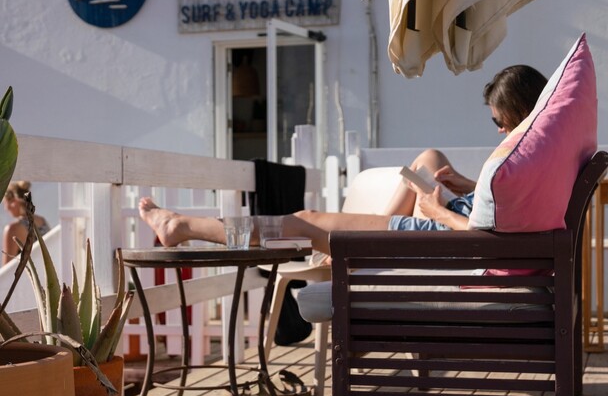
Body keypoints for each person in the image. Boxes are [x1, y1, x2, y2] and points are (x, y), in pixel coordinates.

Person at [139, 65, 547, 256]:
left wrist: (437, 212)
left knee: (304, 220)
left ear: (518, 111)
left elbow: (487, 237)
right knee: (431, 158)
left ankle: (183, 226)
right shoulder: (535, 159)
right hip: (444, 218)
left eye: (500, 121)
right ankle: (369, 240)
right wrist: (468, 186)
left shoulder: (522, 159)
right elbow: (503, 214)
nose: (497, 130)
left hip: (437, 232)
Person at [2, 180, 51, 264]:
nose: (6, 209)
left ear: (14, 202)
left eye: (5, 203)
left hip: (27, 276)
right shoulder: (41, 220)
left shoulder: (13, 229)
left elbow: (7, 267)